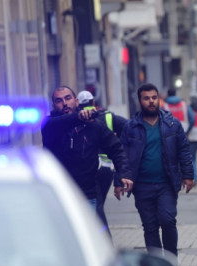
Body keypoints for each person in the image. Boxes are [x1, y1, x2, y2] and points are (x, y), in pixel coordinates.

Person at [117, 83, 195, 258]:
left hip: (166, 184)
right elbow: (122, 155)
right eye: (146, 98)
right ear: (140, 101)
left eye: (154, 97)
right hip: (142, 186)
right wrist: (119, 180)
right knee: (150, 226)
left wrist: (188, 176)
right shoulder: (131, 127)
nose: (151, 102)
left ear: (158, 99)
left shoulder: (172, 124)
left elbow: (184, 149)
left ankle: (171, 260)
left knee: (168, 221)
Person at [42, 86, 133, 216]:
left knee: (96, 232)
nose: (65, 103)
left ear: (77, 101)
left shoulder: (93, 125)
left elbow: (116, 149)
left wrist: (123, 174)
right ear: (53, 105)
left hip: (88, 193)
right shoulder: (49, 125)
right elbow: (58, 123)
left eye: (68, 98)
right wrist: (77, 117)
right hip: (60, 194)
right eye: (59, 100)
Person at [76, 90, 128, 238]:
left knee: (96, 207)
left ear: (77, 104)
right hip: (107, 168)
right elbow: (128, 127)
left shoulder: (76, 118)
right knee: (98, 205)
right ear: (93, 102)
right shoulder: (108, 116)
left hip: (90, 168)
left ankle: (104, 243)